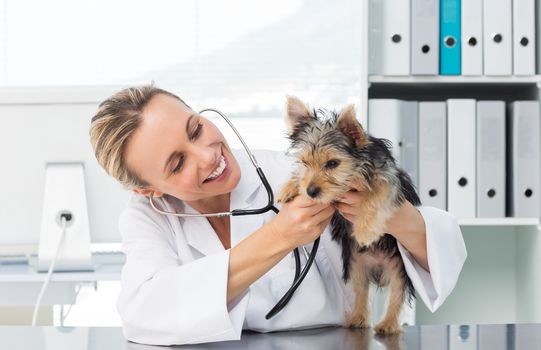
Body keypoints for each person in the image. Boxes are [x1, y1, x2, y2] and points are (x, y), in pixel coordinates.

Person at [89, 85, 467, 346]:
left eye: (196, 129)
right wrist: (279, 237)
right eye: (177, 163)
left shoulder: (295, 171)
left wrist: (395, 216)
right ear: (148, 189)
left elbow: (444, 248)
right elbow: (143, 313)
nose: (207, 155)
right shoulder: (147, 218)